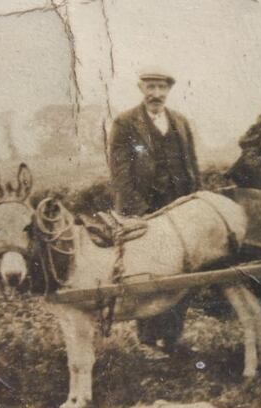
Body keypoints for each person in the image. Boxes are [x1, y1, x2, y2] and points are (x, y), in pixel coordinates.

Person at [109, 67, 202, 352]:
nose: (156, 94)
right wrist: (139, 211)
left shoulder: (181, 122)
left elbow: (191, 164)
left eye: (161, 88)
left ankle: (172, 338)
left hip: (180, 206)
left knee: (181, 269)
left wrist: (196, 198)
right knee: (148, 271)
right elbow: (120, 172)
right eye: (150, 87)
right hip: (144, 211)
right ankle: (148, 340)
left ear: (168, 90)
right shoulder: (125, 122)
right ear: (141, 88)